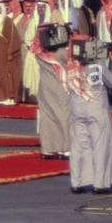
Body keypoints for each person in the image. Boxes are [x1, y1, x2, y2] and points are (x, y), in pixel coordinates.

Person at [65, 36, 112, 193]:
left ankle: (77, 182)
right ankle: (100, 183)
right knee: (100, 144)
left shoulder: (70, 65)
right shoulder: (96, 64)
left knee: (79, 145)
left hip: (77, 108)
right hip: (96, 108)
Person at [33, 21, 73, 159]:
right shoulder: (61, 52)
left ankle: (47, 149)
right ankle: (65, 148)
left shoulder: (37, 50)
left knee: (47, 117)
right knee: (64, 116)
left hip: (44, 87)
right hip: (60, 87)